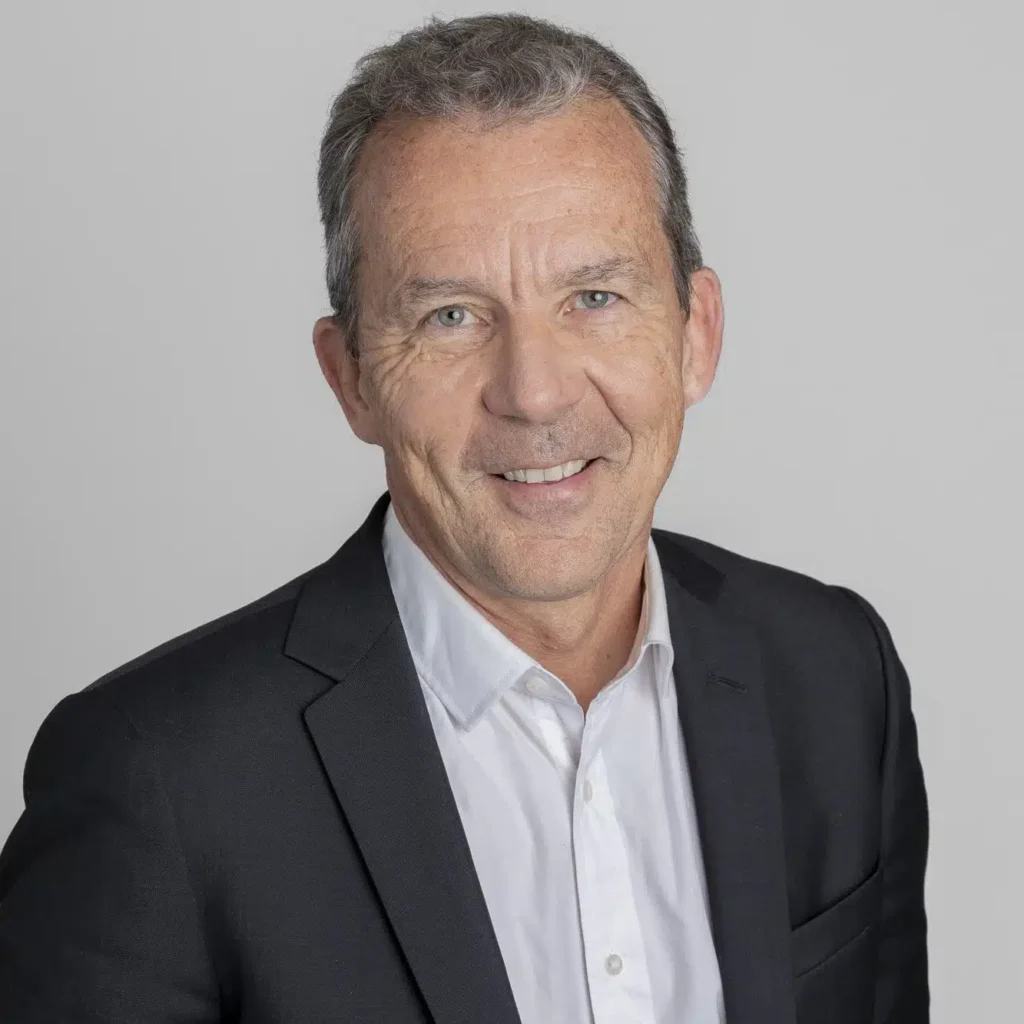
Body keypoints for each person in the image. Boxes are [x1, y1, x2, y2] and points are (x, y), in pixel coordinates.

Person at [0, 12, 928, 1023]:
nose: (533, 393)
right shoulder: (153, 782)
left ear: (695, 334)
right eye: (451, 316)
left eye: (595, 297)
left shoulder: (836, 678)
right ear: (352, 378)